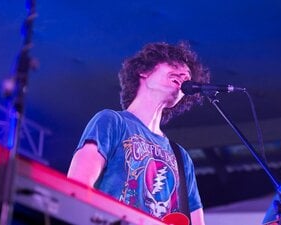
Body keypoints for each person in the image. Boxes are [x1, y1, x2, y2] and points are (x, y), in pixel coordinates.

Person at [67, 42, 210, 225]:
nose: (184, 75)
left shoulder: (181, 158)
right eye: (175, 66)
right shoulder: (111, 122)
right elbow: (77, 188)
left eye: (188, 75)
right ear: (145, 70)